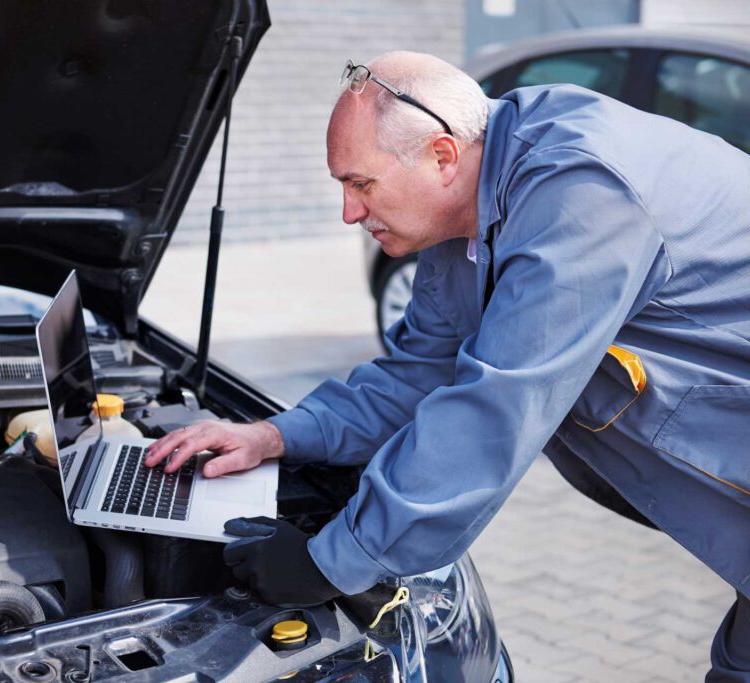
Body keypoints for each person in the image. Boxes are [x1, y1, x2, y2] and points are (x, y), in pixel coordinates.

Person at [143, 51, 750, 680]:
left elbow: (495, 412)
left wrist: (335, 559)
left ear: (441, 155)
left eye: (360, 184)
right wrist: (273, 436)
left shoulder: (582, 193)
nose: (349, 214)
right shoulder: (466, 220)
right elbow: (419, 374)